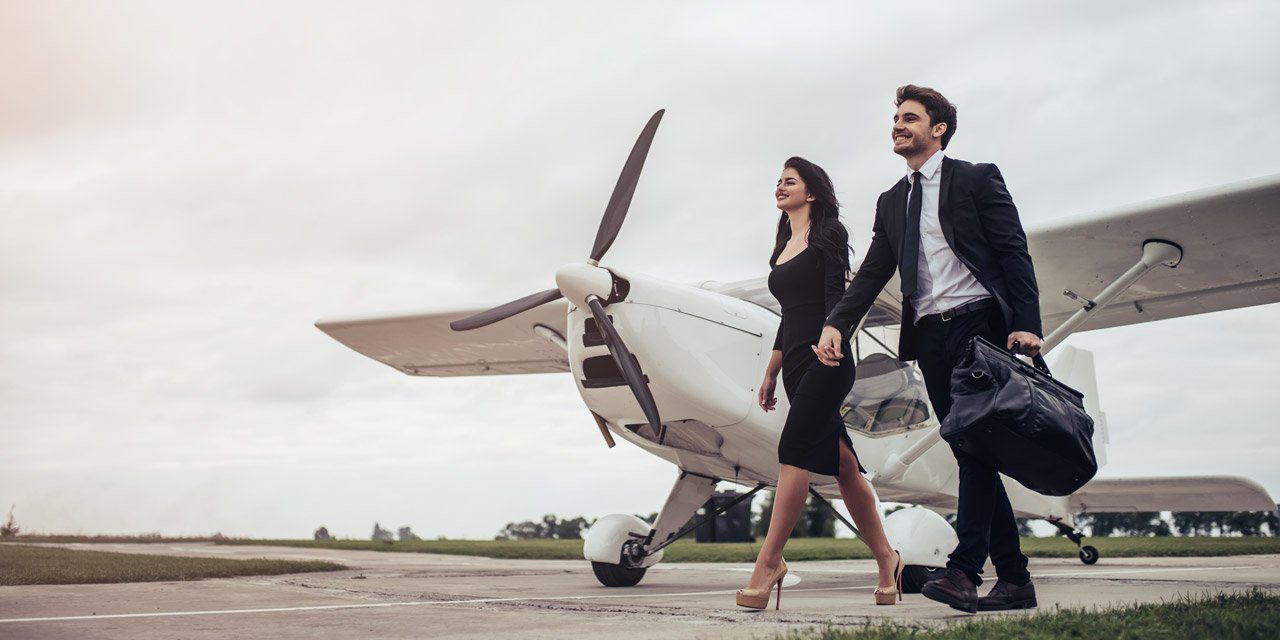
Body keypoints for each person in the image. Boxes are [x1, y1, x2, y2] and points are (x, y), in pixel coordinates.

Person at [814, 85, 1042, 614]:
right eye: (895, 117)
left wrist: (1026, 324)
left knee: (974, 445)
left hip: (979, 326)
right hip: (930, 337)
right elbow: (872, 273)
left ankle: (964, 571)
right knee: (969, 449)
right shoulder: (892, 201)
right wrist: (836, 323)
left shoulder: (977, 178)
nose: (898, 125)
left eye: (910, 118)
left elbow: (1013, 251)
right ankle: (1014, 579)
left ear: (938, 130)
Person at [736, 156, 902, 610]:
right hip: (793, 363)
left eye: (789, 181)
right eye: (778, 180)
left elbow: (836, 297)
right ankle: (888, 560)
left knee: (793, 451)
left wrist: (837, 334)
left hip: (827, 358)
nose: (780, 186)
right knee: (844, 467)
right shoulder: (782, 246)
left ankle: (769, 563)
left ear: (811, 193)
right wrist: (771, 371)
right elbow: (787, 316)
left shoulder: (830, 235)